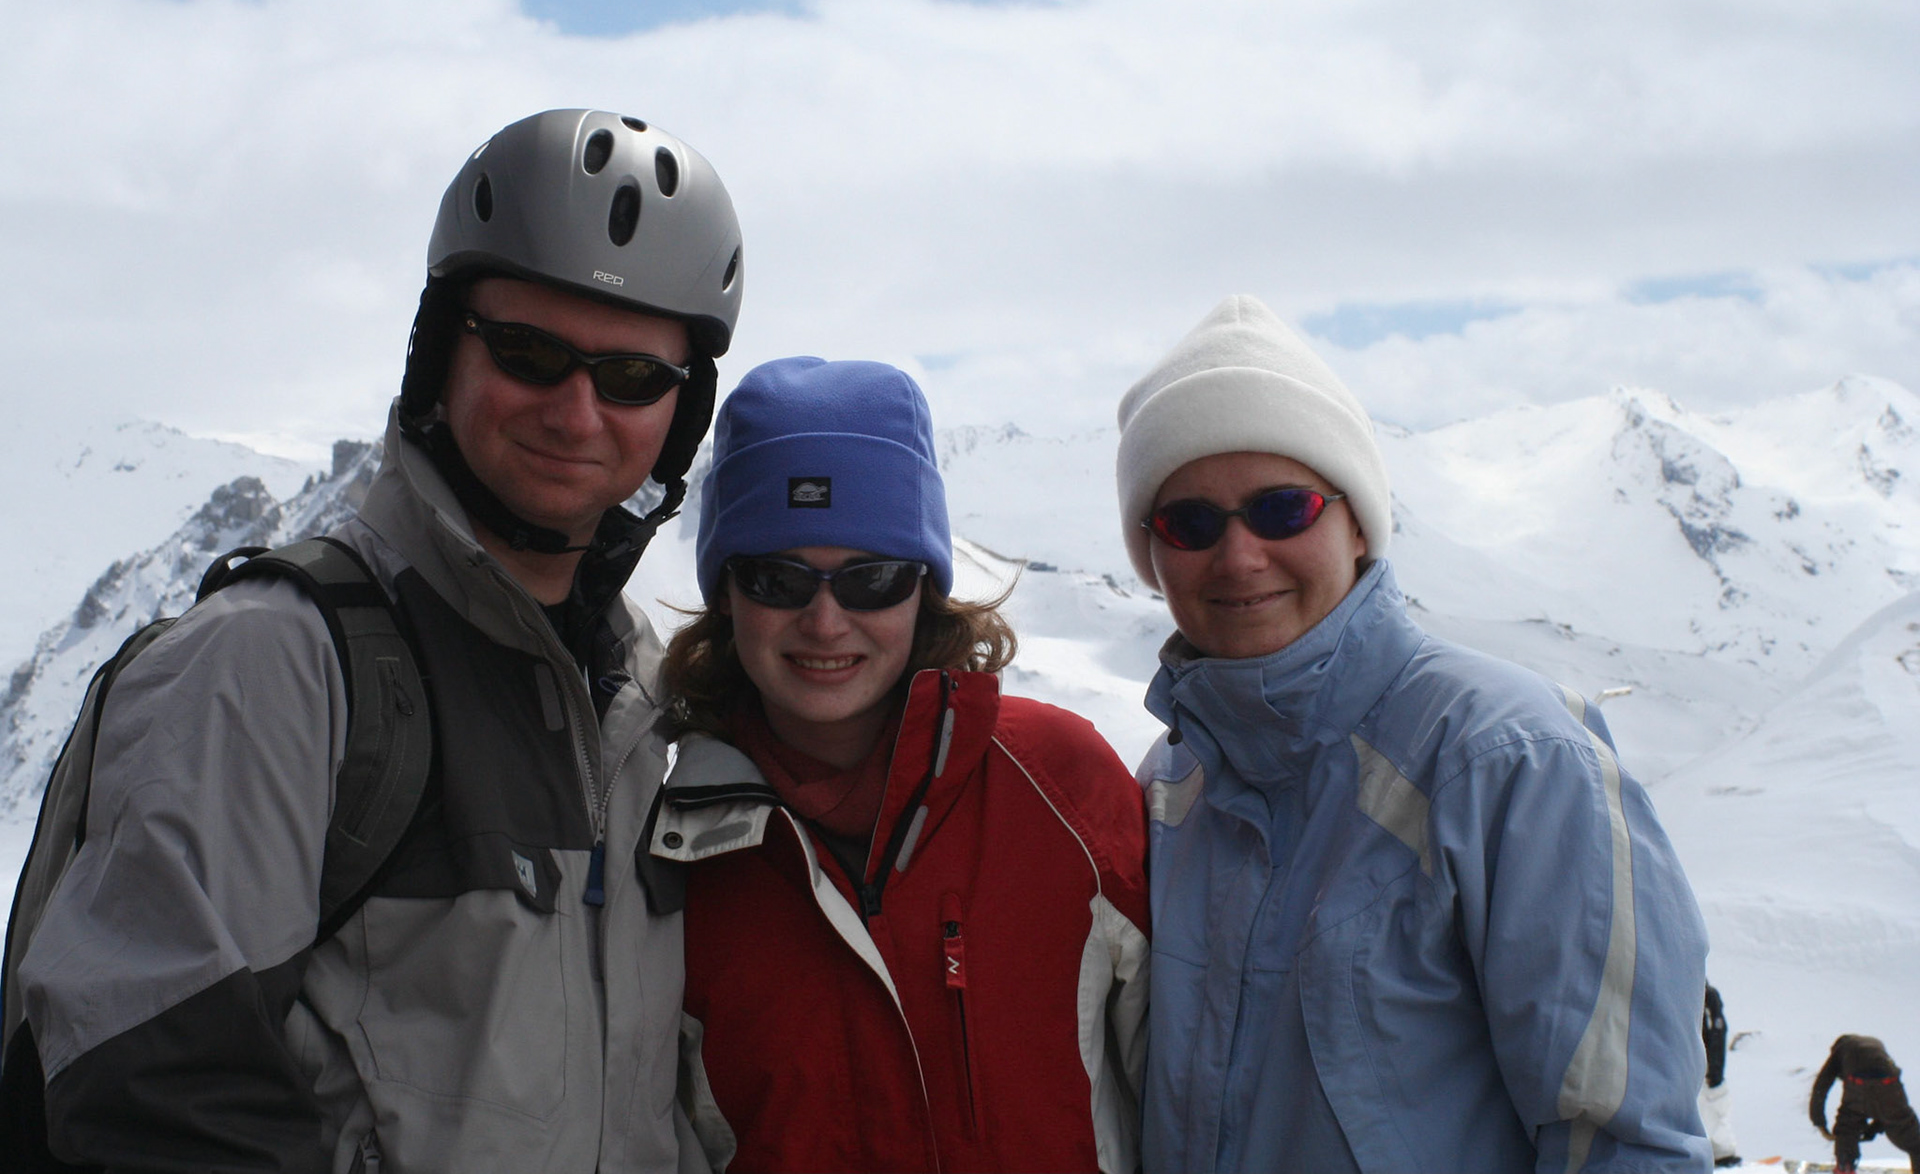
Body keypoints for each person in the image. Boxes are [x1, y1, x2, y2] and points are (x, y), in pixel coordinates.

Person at [18, 109, 743, 1171]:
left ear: (681, 417)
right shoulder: (274, 664)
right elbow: (153, 1094)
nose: (577, 411)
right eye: (531, 352)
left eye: (633, 378)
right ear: (441, 348)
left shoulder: (634, 692)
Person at [1117, 294, 1713, 1173]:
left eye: (1283, 509)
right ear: (1152, 552)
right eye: (1191, 522)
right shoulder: (1169, 788)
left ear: (1356, 522)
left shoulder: (1507, 759)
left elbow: (1624, 1141)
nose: (1239, 557)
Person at [654, 356, 1150, 1173]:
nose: (823, 621)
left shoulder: (1061, 786)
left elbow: (1190, 1094)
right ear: (726, 592)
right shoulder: (670, 851)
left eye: (872, 579)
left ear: (925, 590)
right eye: (777, 578)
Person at [1810, 1034, 1920, 1174]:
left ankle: (1845, 1166)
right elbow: (1884, 1104)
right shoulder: (1874, 1044)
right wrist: (1873, 1128)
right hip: (1891, 1084)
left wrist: (1819, 1122)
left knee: (1848, 1123)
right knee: (1910, 1136)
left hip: (1858, 1084)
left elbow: (1821, 1086)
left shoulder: (1840, 1051)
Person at [1700, 983, 1741, 1167]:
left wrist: (1713, 1069)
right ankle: (1719, 1153)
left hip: (1705, 1068)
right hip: (1708, 1068)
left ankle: (1720, 1153)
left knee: (1713, 1109)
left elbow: (1717, 1032)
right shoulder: (1708, 996)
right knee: (1715, 1110)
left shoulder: (1705, 996)